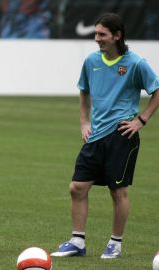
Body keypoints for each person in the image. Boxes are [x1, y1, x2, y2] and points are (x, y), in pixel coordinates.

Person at [51, 13, 159, 259]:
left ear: (117, 35)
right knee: (77, 187)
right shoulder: (91, 61)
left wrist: (141, 120)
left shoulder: (136, 63)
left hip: (122, 135)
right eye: (96, 34)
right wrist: (84, 121)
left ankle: (115, 244)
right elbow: (83, 90)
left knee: (118, 192)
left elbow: (156, 90)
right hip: (95, 136)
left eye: (102, 34)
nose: (97, 38)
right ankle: (77, 242)